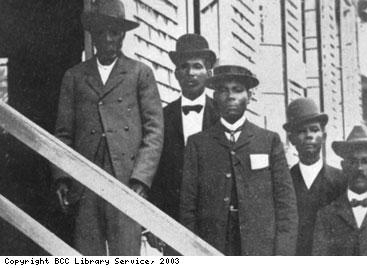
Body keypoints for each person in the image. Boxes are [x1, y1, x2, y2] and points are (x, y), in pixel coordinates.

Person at [51, 0, 163, 255]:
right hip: (85, 179)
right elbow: (63, 133)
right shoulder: (75, 76)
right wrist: (63, 177)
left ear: (123, 35)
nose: (109, 39)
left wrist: (141, 179)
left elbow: (154, 131)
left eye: (115, 32)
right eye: (102, 32)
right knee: (88, 253)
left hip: (125, 180)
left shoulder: (139, 73)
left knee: (126, 253)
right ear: (93, 35)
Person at [179, 65, 298, 255]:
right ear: (215, 97)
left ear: (249, 97)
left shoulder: (268, 141)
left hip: (259, 248)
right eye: (224, 90)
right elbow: (188, 208)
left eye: (238, 90)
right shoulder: (198, 144)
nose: (231, 96)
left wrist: (282, 256)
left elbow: (286, 206)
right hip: (212, 246)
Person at [149, 34, 218, 254]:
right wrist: (153, 223)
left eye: (197, 66)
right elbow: (154, 173)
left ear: (209, 72)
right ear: (176, 73)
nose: (190, 73)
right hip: (174, 223)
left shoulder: (223, 117)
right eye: (184, 67)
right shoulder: (162, 117)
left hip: (216, 222)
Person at [312, 124, 367, 255]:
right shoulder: (326, 216)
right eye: (353, 162)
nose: (359, 168)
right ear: (343, 166)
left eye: (366, 161)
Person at [283, 98, 346, 255]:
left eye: (314, 129)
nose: (309, 136)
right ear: (292, 140)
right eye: (301, 131)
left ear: (324, 137)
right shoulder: (285, 182)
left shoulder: (341, 180)